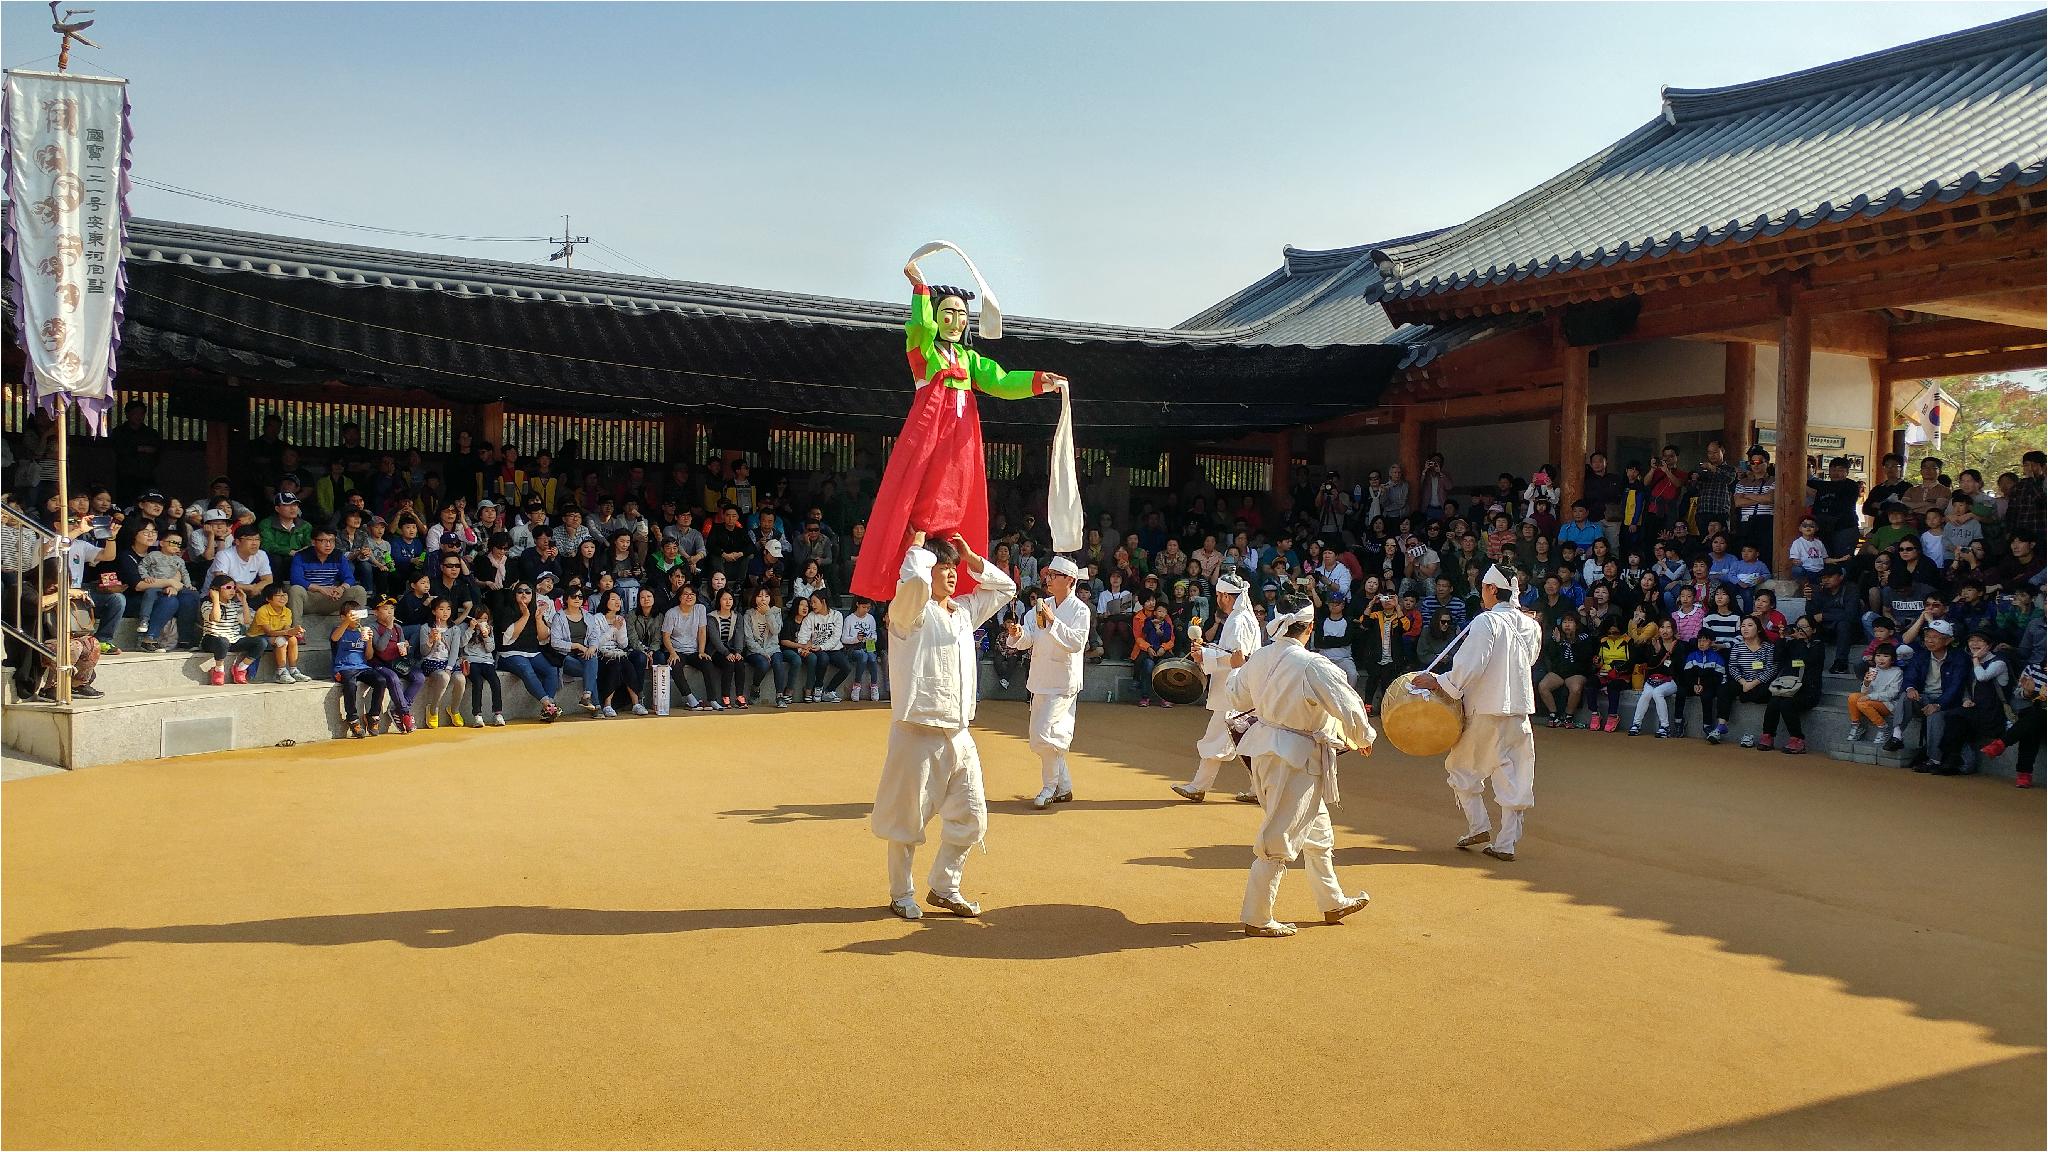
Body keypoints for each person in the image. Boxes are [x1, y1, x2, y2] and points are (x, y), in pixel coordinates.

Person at [848, 262, 1068, 601]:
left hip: (963, 436)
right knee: (924, 488)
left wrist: (1040, 382)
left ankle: (951, 553)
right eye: (947, 313)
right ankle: (917, 542)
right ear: (937, 317)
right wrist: (921, 291)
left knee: (960, 488)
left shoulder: (969, 359)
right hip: (932, 431)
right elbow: (919, 328)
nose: (955, 321)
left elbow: (1002, 381)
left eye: (962, 314)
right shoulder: (925, 353)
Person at [869, 531, 1016, 920]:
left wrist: (971, 558)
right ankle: (901, 893)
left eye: (952, 569)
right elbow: (914, 582)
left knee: (972, 815)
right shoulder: (907, 614)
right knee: (907, 820)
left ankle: (946, 885)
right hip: (917, 730)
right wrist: (917, 543)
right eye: (943, 567)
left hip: (959, 731)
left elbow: (1006, 589)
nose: (950, 575)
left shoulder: (964, 611)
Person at [1224, 595, 1376, 937]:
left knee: (1318, 830)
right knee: (1280, 834)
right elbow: (1349, 705)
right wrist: (1363, 737)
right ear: (1309, 626)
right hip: (1295, 757)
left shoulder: (1261, 658)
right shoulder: (1312, 664)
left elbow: (1236, 696)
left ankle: (1332, 900)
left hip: (1265, 750)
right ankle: (1257, 916)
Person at [1412, 565, 1544, 862]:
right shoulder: (1531, 624)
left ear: (1493, 590)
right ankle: (1506, 843)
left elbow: (1471, 664)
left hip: (1486, 708)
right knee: (1514, 774)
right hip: (1519, 710)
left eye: (1484, 587)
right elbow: (1530, 660)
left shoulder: (1487, 622)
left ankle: (1478, 825)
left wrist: (1440, 682)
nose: (1483, 592)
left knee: (1461, 767)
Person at [1172, 572, 1265, 803]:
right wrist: (1209, 649)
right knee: (1247, 742)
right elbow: (1234, 653)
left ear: (1224, 595)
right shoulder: (1243, 616)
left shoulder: (1238, 619)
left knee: (1216, 738)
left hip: (1235, 690)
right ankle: (1259, 790)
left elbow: (1239, 658)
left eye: (1218, 595)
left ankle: (1198, 786)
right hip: (1243, 688)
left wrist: (1205, 654)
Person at [1007, 555, 1091, 809]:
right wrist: (1018, 634)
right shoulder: (1039, 607)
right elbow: (1029, 637)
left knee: (1048, 734)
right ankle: (1064, 786)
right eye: (1049, 575)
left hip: (1063, 681)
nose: (1049, 579)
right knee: (1039, 735)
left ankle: (1049, 787)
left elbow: (1076, 643)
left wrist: (1053, 621)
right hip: (1040, 678)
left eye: (1054, 575)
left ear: (1070, 580)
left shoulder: (1080, 610)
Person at [1758, 615, 1824, 753]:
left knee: (1786, 703)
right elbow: (1777, 657)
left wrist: (1801, 642)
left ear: (1814, 630)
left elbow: (1809, 660)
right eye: (1798, 626)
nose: (1800, 630)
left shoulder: (1817, 645)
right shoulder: (1792, 644)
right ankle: (1768, 736)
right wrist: (1782, 639)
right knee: (1774, 701)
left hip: (1807, 691)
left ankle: (1797, 739)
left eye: (1804, 627)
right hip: (1787, 687)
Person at [196, 573, 265, 686]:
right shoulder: (207, 604)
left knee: (261, 642)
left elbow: (247, 621)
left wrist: (244, 601)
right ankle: (218, 671)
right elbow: (216, 618)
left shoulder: (234, 605)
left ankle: (241, 668)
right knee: (223, 641)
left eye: (234, 588)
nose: (232, 591)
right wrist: (216, 599)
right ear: (216, 589)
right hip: (213, 640)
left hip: (233, 639)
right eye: (228, 588)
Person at [330, 605, 383, 739]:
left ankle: (373, 716)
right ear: (343, 617)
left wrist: (369, 641)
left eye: (358, 615)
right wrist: (347, 622)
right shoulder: (338, 630)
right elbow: (335, 638)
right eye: (353, 615)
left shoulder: (362, 631)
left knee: (381, 680)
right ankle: (353, 718)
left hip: (362, 667)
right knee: (350, 683)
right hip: (343, 668)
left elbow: (369, 657)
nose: (357, 618)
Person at [416, 596, 469, 728]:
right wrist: (431, 640)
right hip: (431, 662)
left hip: (449, 662)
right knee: (444, 677)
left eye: (448, 609)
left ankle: (454, 709)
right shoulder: (425, 628)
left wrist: (449, 667)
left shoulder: (455, 629)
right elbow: (423, 652)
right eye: (441, 609)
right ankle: (433, 710)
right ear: (434, 611)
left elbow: (455, 651)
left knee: (460, 679)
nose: (445, 612)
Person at [248, 582, 308, 683]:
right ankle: (280, 672)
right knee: (281, 640)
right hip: (258, 638)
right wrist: (288, 632)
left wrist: (295, 632)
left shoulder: (287, 611)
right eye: (278, 595)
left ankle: (294, 670)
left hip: (275, 636)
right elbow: (269, 632)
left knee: (293, 639)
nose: (283, 597)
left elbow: (287, 628)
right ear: (268, 599)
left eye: (284, 594)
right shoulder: (262, 611)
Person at [1845, 642, 1903, 744]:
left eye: (1885, 656)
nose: (1881, 659)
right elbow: (1863, 692)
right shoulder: (1873, 670)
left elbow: (1891, 694)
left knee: (1862, 703)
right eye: (1878, 656)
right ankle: (1856, 726)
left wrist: (1869, 696)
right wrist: (1866, 683)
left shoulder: (1897, 672)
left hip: (1888, 704)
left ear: (1892, 659)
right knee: (1852, 697)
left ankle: (1883, 728)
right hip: (1872, 700)